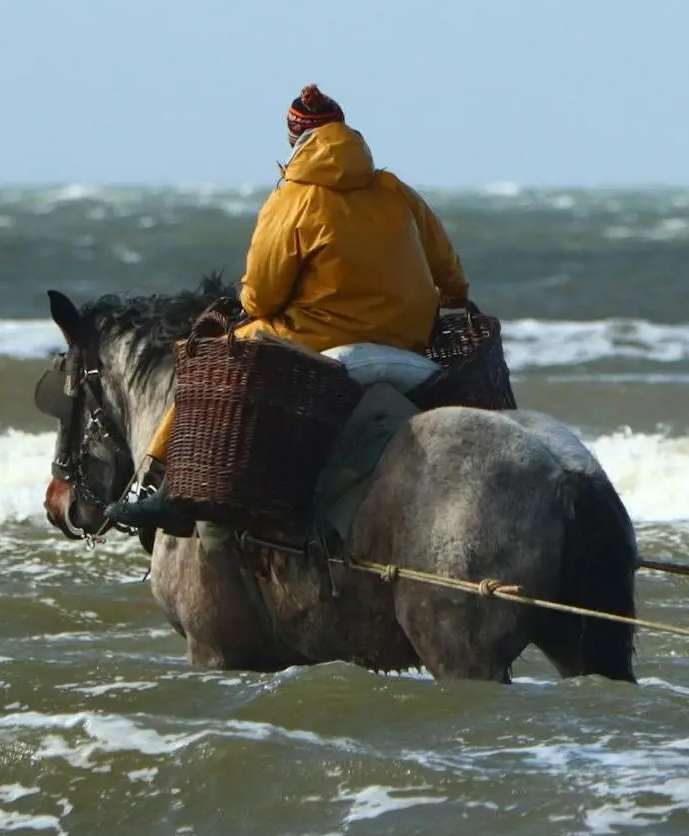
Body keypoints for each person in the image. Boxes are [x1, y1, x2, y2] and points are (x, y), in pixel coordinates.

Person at [107, 85, 470, 535]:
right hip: (412, 343)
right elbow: (449, 273)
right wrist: (451, 297)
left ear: (296, 138)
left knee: (208, 357)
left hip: (325, 343)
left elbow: (260, 299)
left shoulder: (294, 198)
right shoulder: (397, 190)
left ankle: (164, 489)